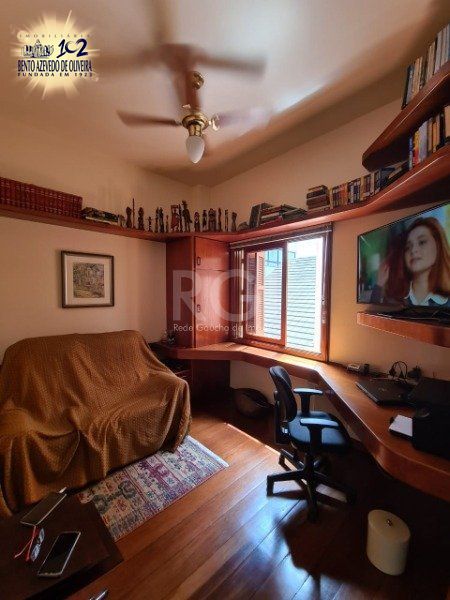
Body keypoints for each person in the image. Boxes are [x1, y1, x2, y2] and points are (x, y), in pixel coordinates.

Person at [370, 217, 450, 307]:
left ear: (438, 246)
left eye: (422, 242)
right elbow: (373, 309)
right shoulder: (393, 299)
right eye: (408, 247)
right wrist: (379, 285)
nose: (413, 250)